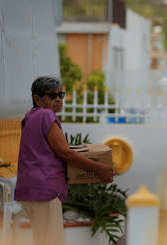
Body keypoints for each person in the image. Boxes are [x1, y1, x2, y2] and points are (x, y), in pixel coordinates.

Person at [15, 76, 115, 245]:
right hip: (44, 191)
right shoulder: (46, 115)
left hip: (30, 190)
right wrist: (99, 168)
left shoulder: (30, 116)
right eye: (52, 96)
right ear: (37, 98)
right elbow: (64, 152)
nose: (58, 100)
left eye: (61, 95)